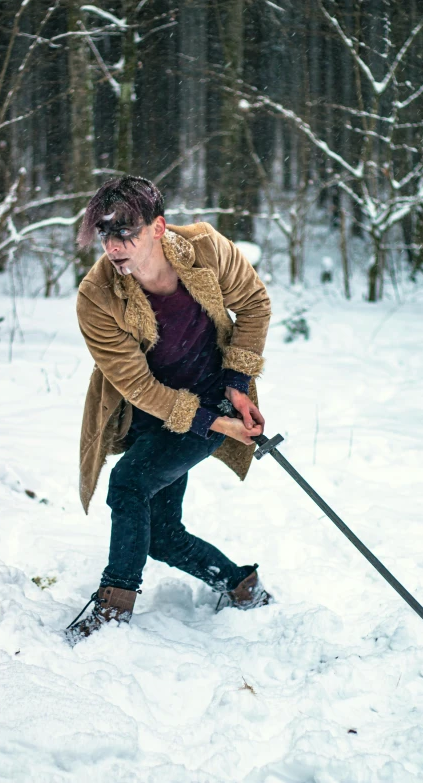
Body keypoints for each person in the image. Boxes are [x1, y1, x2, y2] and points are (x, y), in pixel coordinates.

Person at [66, 175, 272, 645]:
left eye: (126, 233)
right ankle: (242, 588)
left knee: (130, 483)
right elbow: (136, 384)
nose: (114, 247)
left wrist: (238, 388)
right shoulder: (97, 295)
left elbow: (255, 305)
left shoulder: (205, 249)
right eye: (105, 234)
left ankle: (113, 607)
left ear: (158, 228)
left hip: (215, 396)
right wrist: (209, 422)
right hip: (148, 410)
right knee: (159, 533)